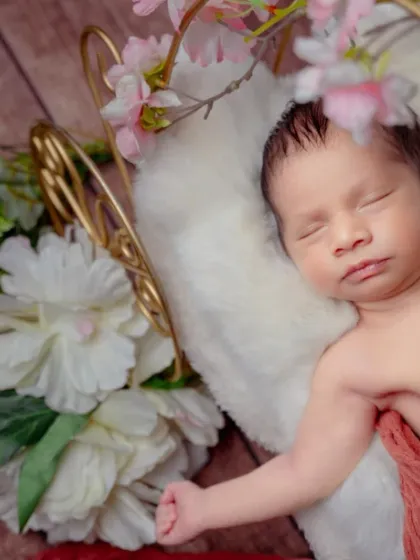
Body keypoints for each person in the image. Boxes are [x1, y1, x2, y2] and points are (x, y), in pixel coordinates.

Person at [155, 99, 420, 546]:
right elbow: (306, 471)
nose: (346, 237)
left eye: (372, 200)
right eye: (312, 230)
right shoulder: (353, 365)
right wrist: (205, 507)